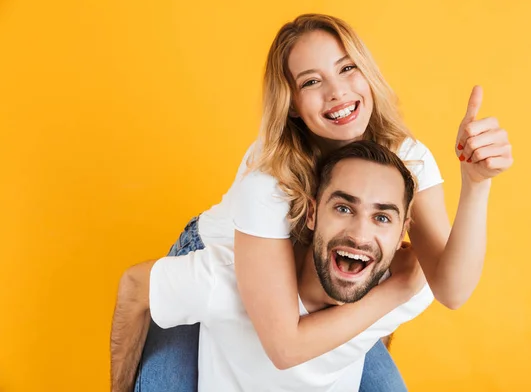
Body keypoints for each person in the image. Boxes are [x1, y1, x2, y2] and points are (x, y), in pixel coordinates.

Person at [118, 13, 513, 391]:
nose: (337, 92)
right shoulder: (269, 178)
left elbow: (452, 289)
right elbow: (285, 345)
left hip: (319, 286)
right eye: (311, 82)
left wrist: (476, 183)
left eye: (347, 68)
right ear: (290, 102)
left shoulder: (406, 159)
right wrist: (394, 290)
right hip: (224, 265)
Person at [112, 140, 433, 392]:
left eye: (382, 218)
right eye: (344, 208)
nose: (360, 235)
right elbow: (134, 286)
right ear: (312, 213)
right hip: (216, 238)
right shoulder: (227, 282)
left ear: (402, 231)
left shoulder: (406, 282)